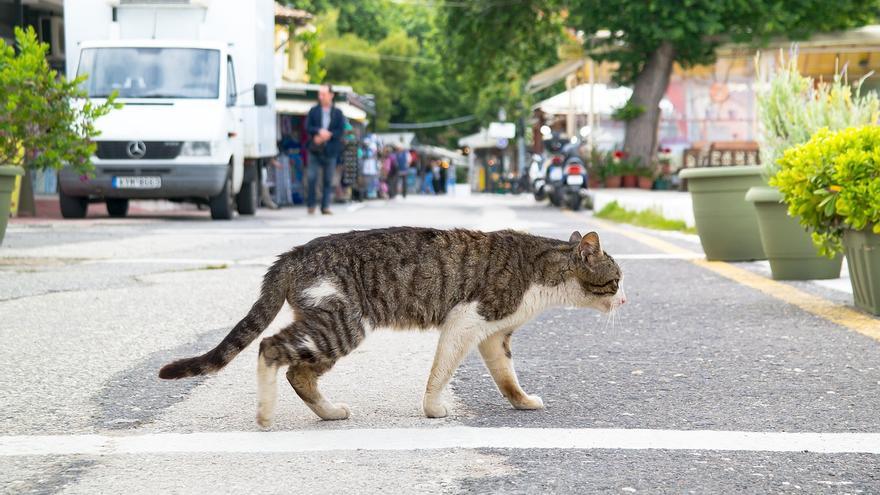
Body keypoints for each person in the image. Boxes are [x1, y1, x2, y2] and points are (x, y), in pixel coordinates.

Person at [305, 84, 347, 215]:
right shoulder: (314, 110)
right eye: (319, 94)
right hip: (315, 149)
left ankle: (325, 206)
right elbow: (307, 126)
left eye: (323, 94)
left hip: (331, 150)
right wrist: (318, 132)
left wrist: (329, 135)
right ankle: (311, 204)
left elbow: (341, 130)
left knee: (328, 180)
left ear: (331, 95)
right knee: (312, 178)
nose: (320, 96)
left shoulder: (338, 113)